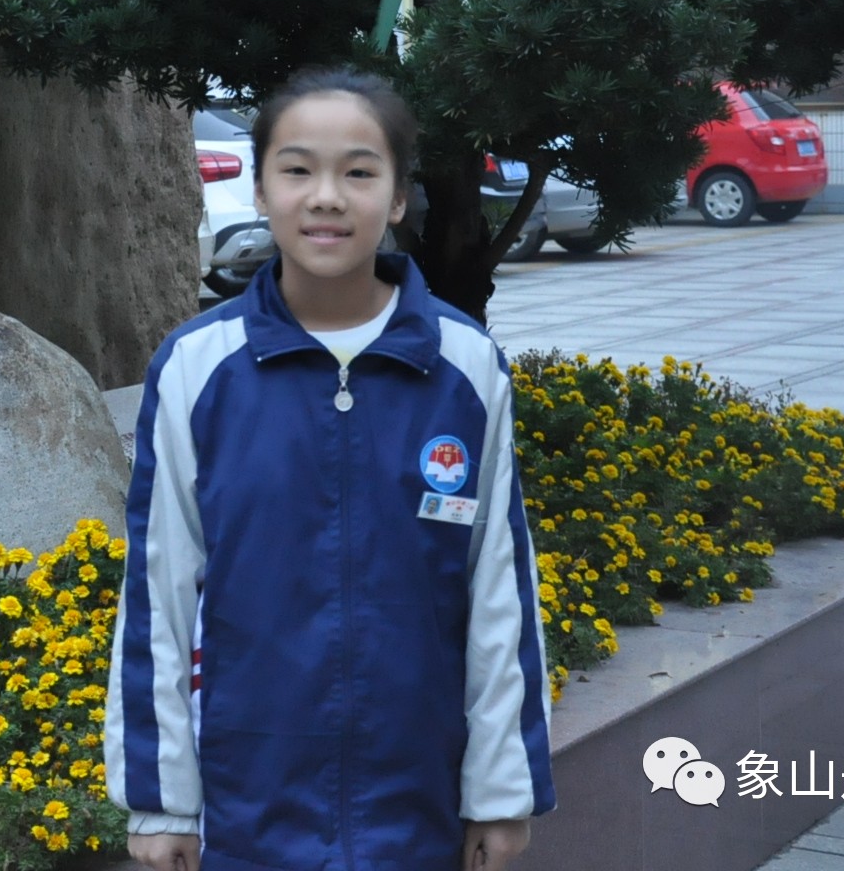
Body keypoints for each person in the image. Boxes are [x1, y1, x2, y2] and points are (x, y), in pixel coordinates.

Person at [105, 66, 555, 871]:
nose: (325, 197)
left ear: (397, 195)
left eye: (358, 171)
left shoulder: (464, 366)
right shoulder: (199, 368)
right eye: (298, 169)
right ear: (261, 186)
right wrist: (162, 800)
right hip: (249, 803)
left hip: (417, 801)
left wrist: (499, 792)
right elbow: (158, 595)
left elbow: (499, 593)